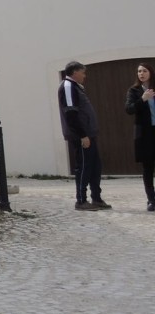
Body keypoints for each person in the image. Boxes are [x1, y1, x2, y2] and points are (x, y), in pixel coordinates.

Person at [57, 61, 108, 210]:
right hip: (81, 136)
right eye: (82, 72)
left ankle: (96, 198)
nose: (85, 76)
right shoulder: (67, 87)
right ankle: (81, 200)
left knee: (95, 167)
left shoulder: (76, 87)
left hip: (89, 134)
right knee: (84, 167)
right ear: (74, 72)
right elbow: (71, 114)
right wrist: (82, 135)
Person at [124, 63, 155, 212]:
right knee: (148, 168)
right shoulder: (134, 90)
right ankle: (151, 200)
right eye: (139, 71)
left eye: (144, 71)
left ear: (150, 72)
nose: (141, 73)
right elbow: (129, 109)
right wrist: (142, 99)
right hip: (145, 134)